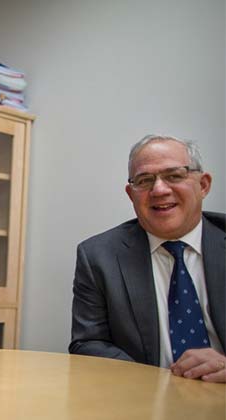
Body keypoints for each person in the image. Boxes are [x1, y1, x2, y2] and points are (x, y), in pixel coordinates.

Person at [69, 134, 225, 383]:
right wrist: (156, 383)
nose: (159, 190)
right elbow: (88, 344)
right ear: (131, 194)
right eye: (144, 180)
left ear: (203, 185)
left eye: (174, 175)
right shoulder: (98, 255)